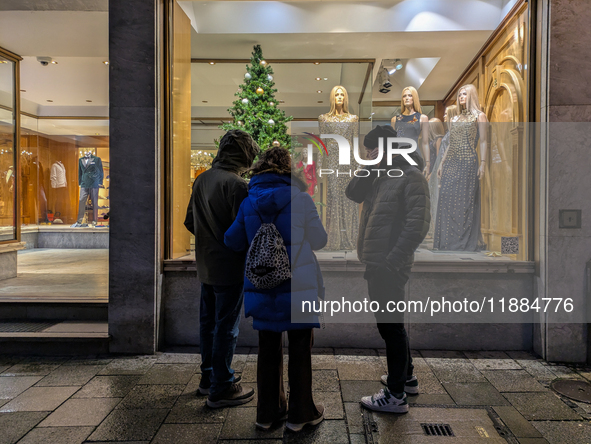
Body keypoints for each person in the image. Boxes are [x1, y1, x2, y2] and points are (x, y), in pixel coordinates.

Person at [224, 146, 327, 432]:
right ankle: (300, 413)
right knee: (300, 349)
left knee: (268, 349)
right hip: (298, 286)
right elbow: (319, 240)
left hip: (263, 287)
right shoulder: (302, 200)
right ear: (287, 170)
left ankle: (267, 413)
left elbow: (231, 241)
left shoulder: (249, 202)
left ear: (260, 169)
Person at [345, 125, 430, 413]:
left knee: (390, 326)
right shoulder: (381, 175)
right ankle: (406, 379)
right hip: (378, 261)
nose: (370, 154)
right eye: (368, 150)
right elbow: (352, 192)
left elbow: (417, 226)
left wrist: (391, 262)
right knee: (393, 324)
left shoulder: (411, 177)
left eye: (374, 149)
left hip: (388, 264)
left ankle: (395, 396)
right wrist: (370, 164)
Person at [184, 129, 259, 408]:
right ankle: (222, 385)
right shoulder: (238, 185)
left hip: (205, 263)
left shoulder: (201, 179)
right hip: (229, 265)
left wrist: (208, 237)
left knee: (208, 323)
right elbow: (244, 231)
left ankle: (207, 378)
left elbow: (190, 221)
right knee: (227, 326)